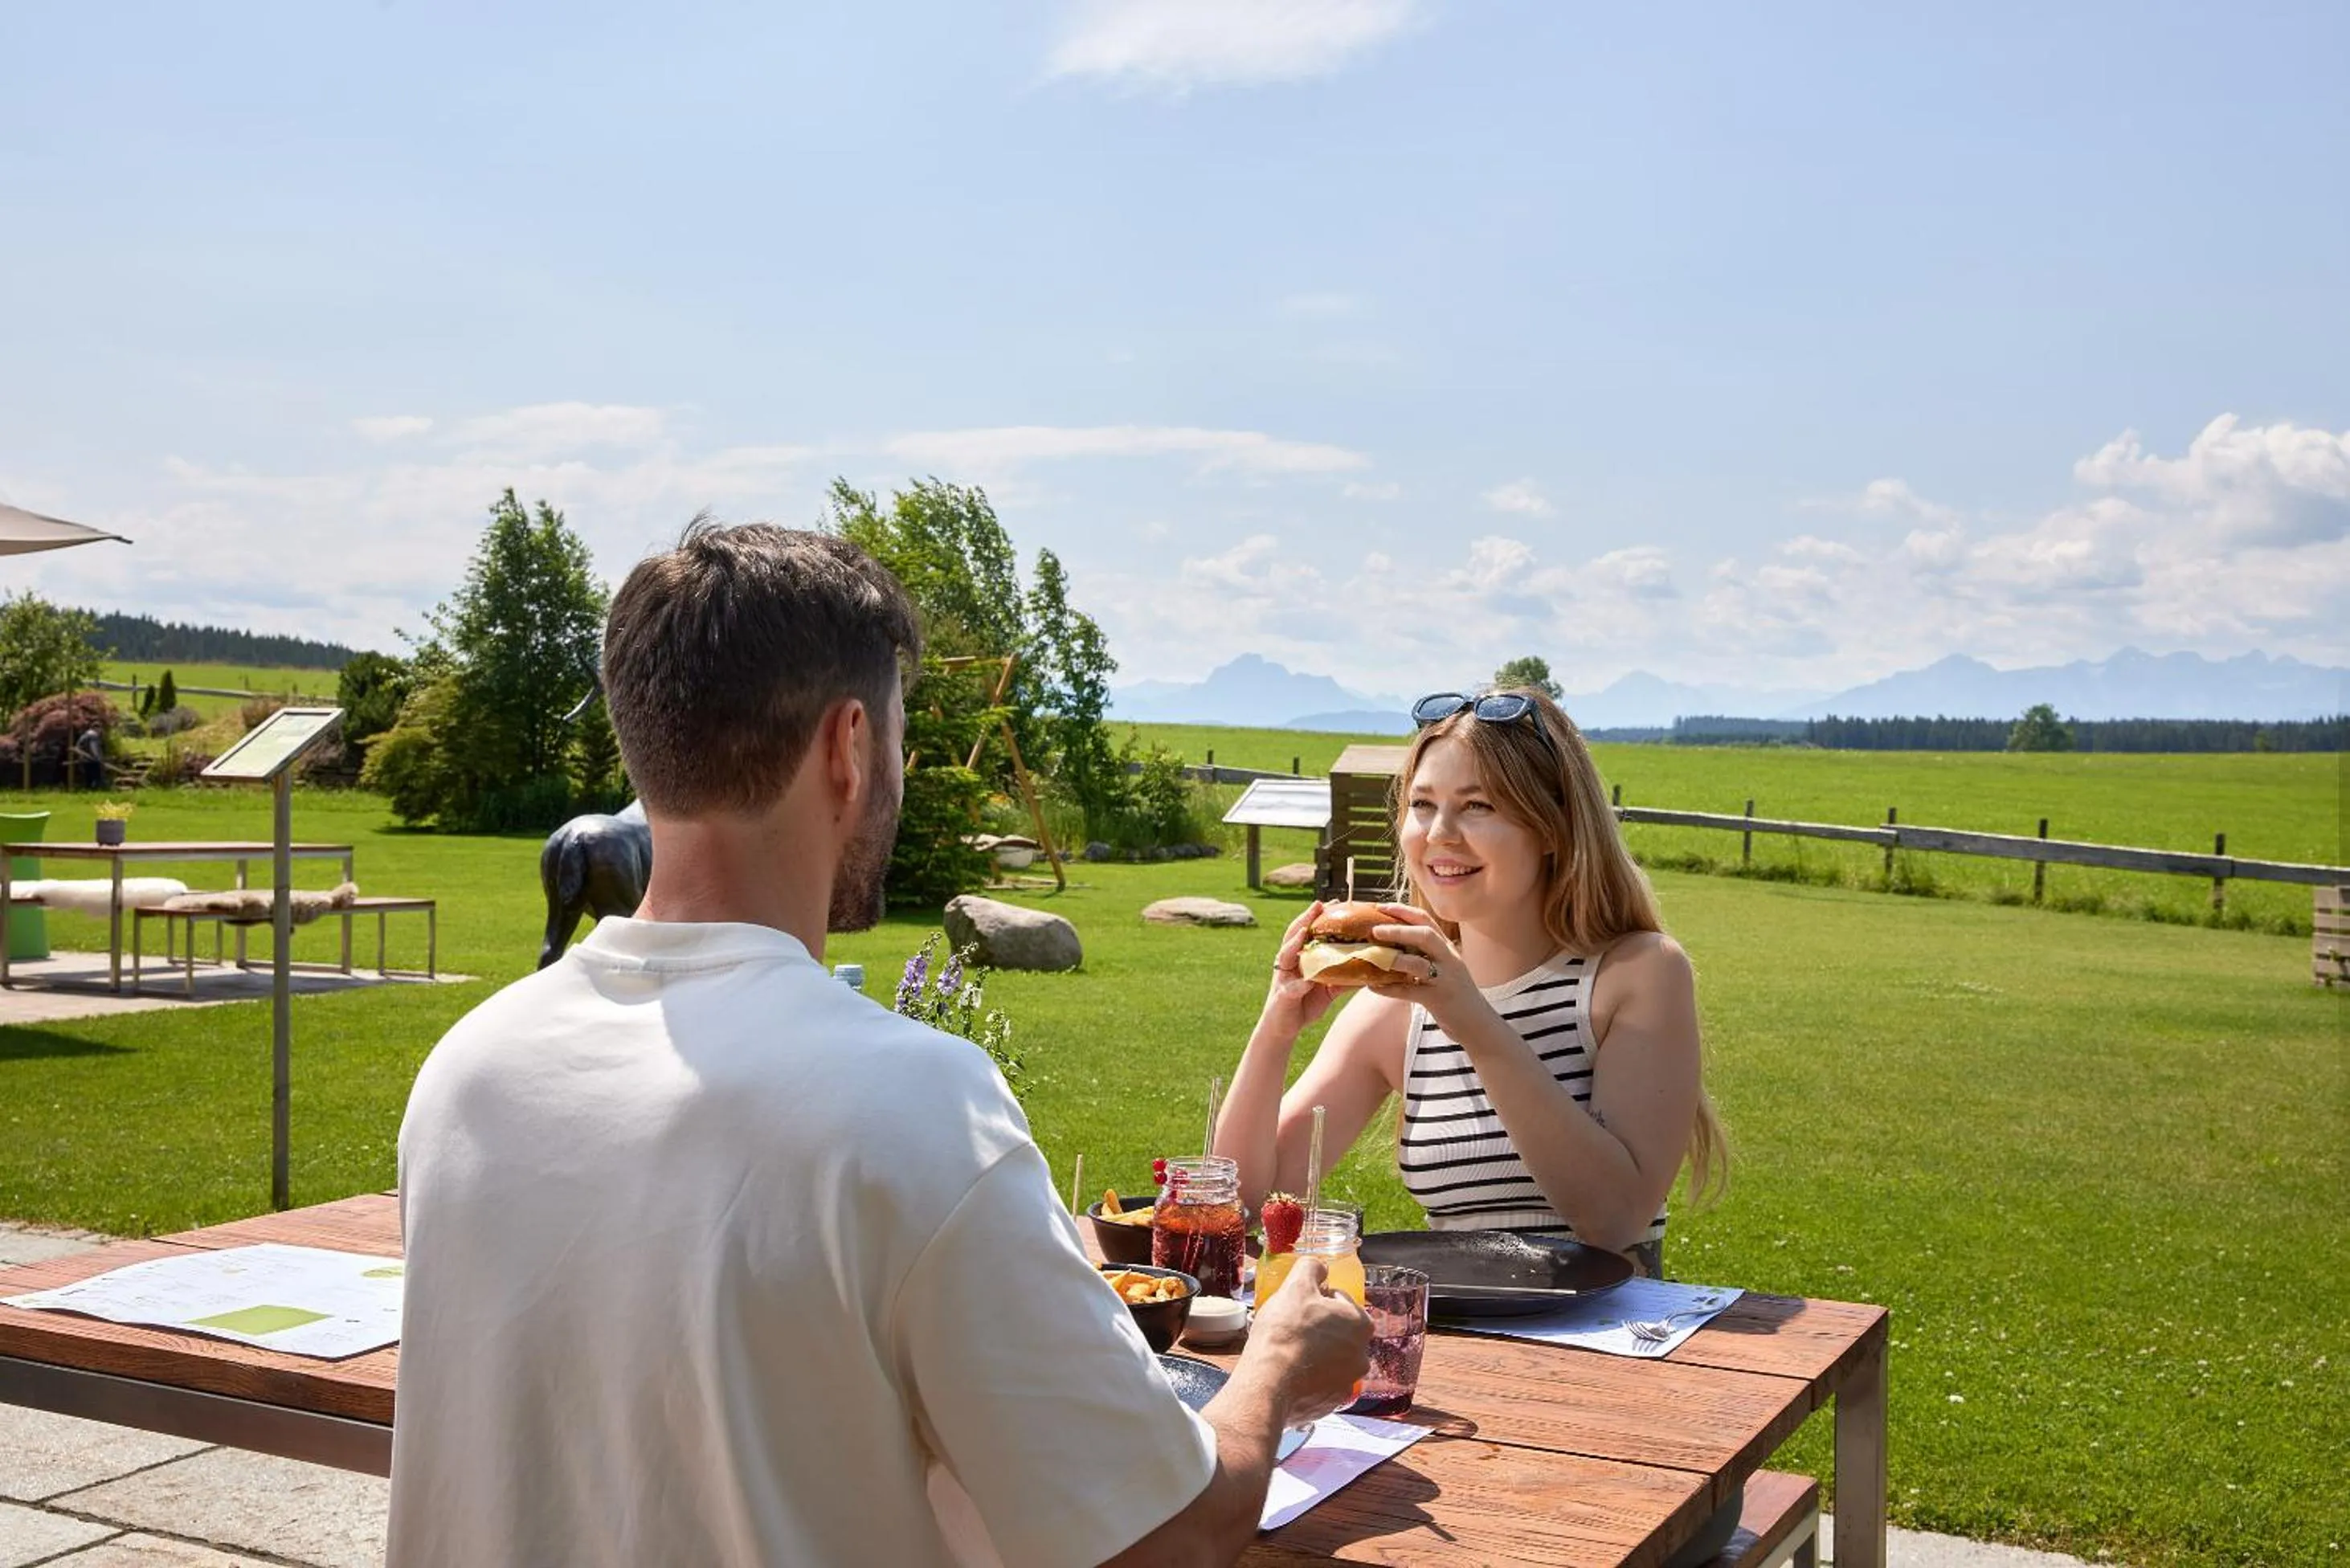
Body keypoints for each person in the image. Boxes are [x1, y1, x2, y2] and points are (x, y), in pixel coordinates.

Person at [390, 522, 1368, 1568]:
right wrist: (1275, 1363)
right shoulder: (911, 1101)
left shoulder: (468, 1066)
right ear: (847, 749)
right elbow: (1166, 1538)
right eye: (900, 736)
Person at [1214, 688, 1727, 1278]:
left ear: (1553, 826)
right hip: (1452, 1349)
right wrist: (1274, 1029)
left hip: (1607, 1350)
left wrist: (1473, 1021)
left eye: (1478, 806)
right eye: (1422, 804)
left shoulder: (1635, 974)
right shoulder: (1392, 1011)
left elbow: (1613, 1220)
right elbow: (1240, 1204)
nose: (1439, 834)